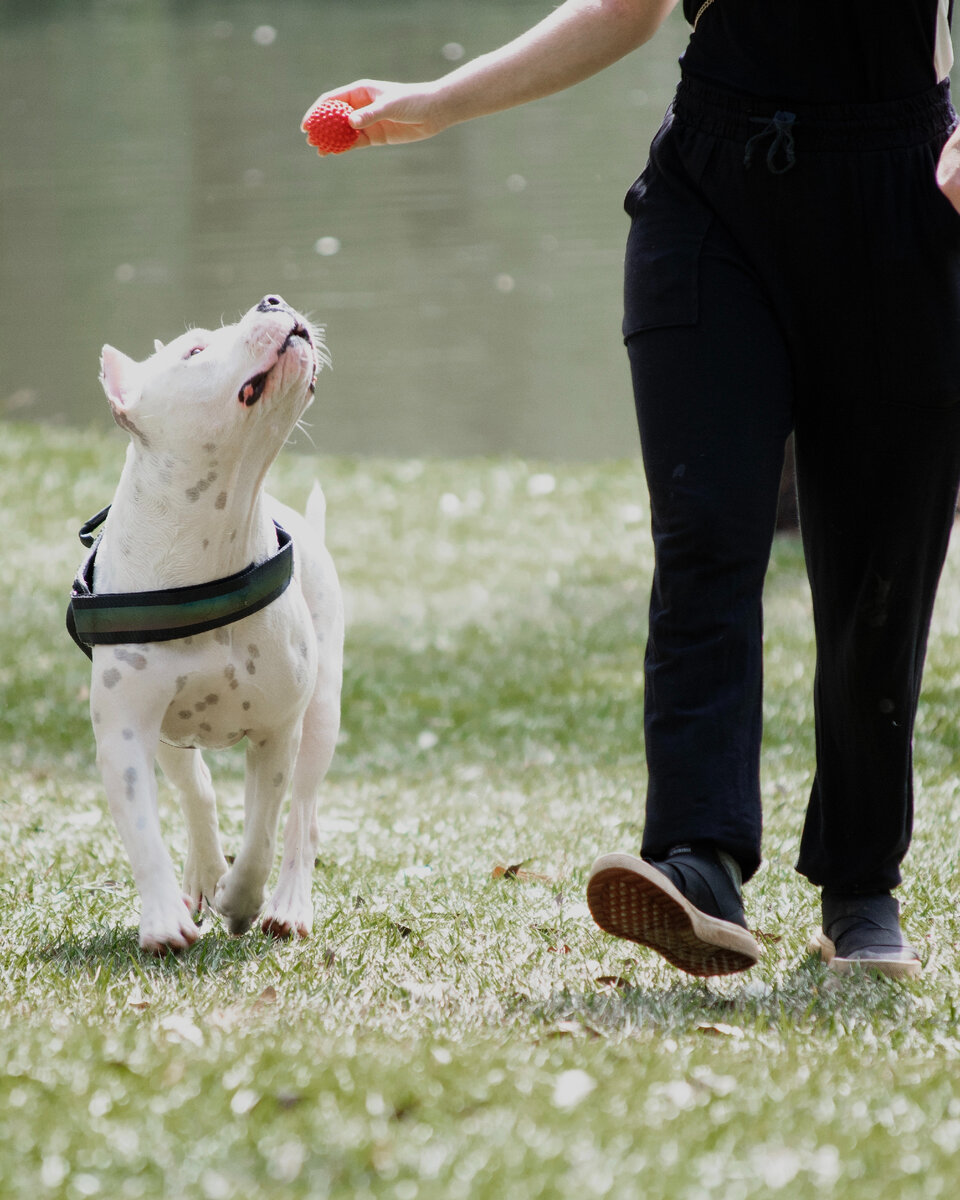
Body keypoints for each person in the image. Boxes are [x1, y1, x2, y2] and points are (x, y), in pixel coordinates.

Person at [312, 1, 960, 979]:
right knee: (704, 537)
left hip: (904, 205)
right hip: (713, 203)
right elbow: (625, 8)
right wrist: (438, 103)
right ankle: (698, 867)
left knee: (883, 570)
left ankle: (861, 888)